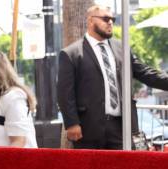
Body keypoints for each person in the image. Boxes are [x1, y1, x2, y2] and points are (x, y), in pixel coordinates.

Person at [57, 4, 168, 150]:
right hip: (88, 129)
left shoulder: (121, 48)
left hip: (121, 126)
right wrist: (72, 123)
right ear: (90, 21)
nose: (110, 22)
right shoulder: (71, 54)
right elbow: (65, 93)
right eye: (105, 18)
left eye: (112, 19)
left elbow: (144, 72)